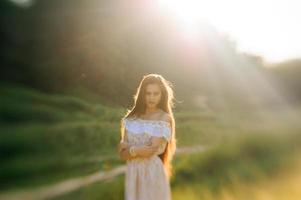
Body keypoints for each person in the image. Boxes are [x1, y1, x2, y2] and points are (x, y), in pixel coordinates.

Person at [118, 73, 177, 200]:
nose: (151, 97)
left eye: (156, 93)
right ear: (142, 94)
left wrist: (129, 147)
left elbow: (150, 151)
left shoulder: (163, 118)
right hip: (133, 174)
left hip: (152, 173)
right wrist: (138, 150)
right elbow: (122, 154)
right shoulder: (131, 119)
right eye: (148, 93)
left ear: (162, 95)